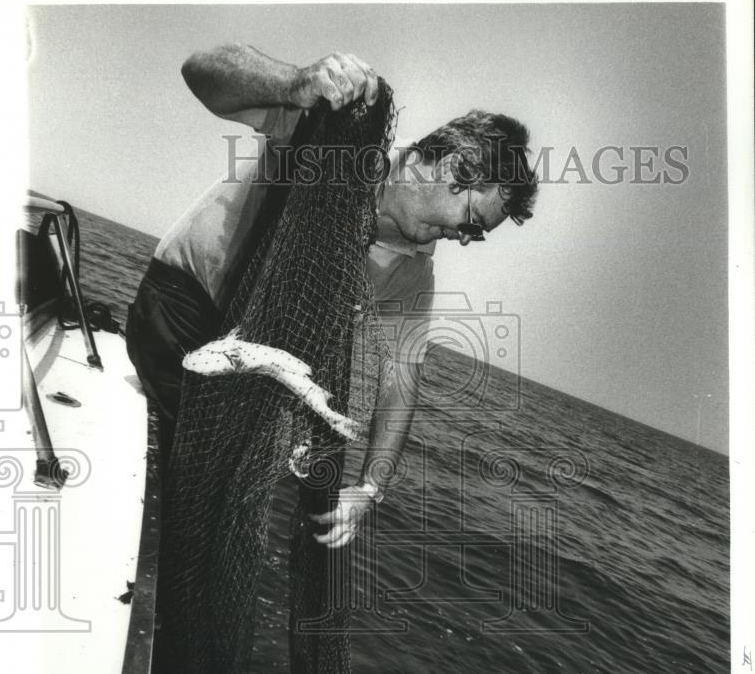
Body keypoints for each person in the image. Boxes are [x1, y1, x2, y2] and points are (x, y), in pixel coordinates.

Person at [125, 44, 538, 547]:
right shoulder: (341, 135)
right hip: (183, 305)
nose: (467, 239)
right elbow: (200, 70)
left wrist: (370, 488)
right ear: (453, 168)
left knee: (218, 506)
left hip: (251, 364)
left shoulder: (412, 271)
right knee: (204, 506)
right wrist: (293, 82)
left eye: (479, 235)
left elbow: (401, 378)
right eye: (474, 222)